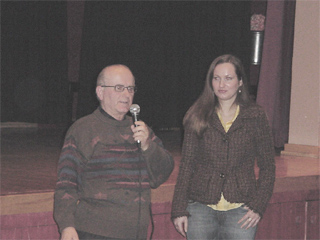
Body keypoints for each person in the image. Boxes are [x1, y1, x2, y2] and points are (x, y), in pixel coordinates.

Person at [54, 64, 174, 240]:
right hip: (95, 232)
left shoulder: (141, 129)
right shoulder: (83, 129)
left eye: (130, 88)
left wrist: (148, 146)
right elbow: (67, 183)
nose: (126, 94)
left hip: (136, 233)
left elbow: (161, 174)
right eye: (119, 88)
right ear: (100, 92)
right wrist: (67, 225)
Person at [171, 54, 275, 239]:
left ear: (240, 81)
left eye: (228, 79)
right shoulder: (196, 115)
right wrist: (179, 209)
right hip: (201, 209)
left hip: (241, 210)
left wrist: (258, 206)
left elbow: (268, 167)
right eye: (216, 78)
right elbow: (187, 165)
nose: (221, 85)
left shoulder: (255, 117)